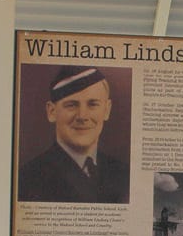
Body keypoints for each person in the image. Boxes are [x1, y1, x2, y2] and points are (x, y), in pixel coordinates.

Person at [18, 65, 129, 203]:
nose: (82, 116)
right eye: (71, 105)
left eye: (93, 104)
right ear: (51, 112)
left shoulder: (125, 175)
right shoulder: (27, 179)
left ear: (107, 110)